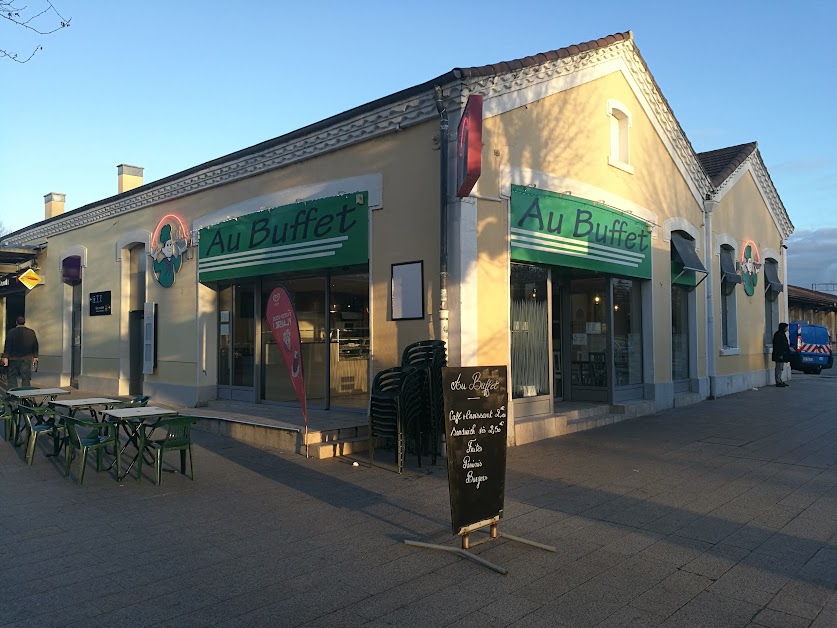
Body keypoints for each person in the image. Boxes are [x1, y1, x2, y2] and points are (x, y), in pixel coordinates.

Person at [2, 315, 39, 388]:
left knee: (12, 377)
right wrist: (35, 356)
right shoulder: (31, 332)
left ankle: (13, 395)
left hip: (13, 358)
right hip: (26, 358)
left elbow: (8, 346)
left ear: (16, 322)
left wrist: (5, 357)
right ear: (24, 322)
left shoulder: (11, 332)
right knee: (25, 377)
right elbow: (35, 344)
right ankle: (25, 395)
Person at [771, 322, 790, 387]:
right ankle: (778, 381)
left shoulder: (782, 334)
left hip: (782, 354)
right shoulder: (778, 334)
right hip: (779, 354)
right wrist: (780, 354)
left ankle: (780, 380)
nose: (787, 329)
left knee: (781, 368)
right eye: (786, 327)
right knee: (778, 368)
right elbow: (778, 346)